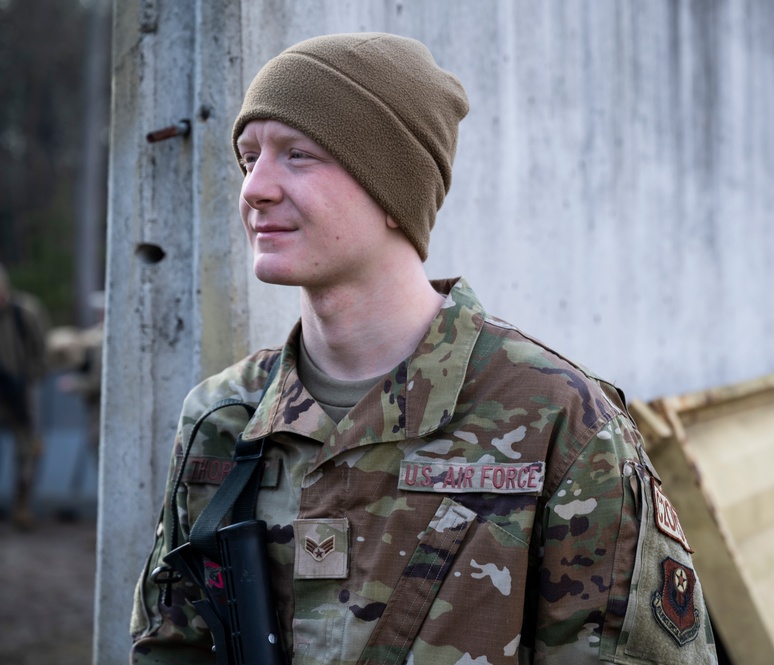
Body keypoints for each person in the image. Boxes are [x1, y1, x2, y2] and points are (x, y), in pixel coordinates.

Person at [130, 33, 716, 664]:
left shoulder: (559, 423)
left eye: (297, 155)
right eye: (249, 158)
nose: (255, 189)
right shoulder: (225, 418)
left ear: (392, 189)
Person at [0, 262, 49, 530]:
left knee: (29, 448)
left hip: (21, 390)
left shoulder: (25, 311)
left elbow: (42, 352)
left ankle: (22, 506)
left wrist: (28, 380)